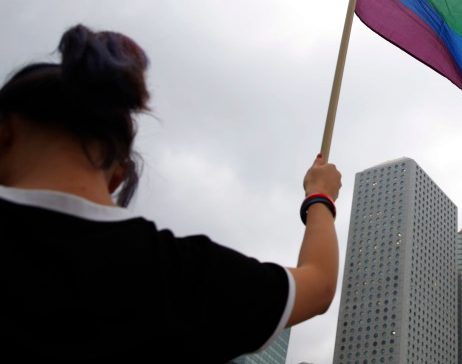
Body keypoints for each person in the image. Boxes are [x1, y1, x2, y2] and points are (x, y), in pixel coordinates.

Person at [0, 24, 341, 362]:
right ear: (119, 174)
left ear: (4, 133)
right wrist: (319, 196)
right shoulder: (182, 275)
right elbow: (319, 285)